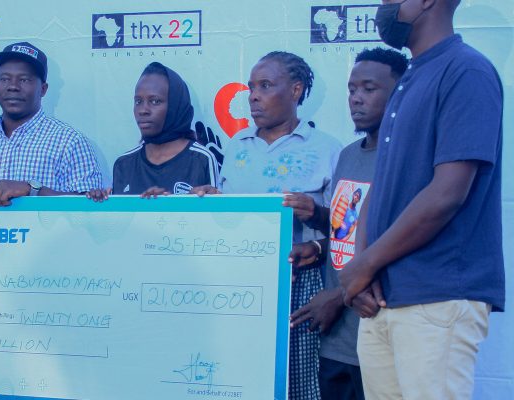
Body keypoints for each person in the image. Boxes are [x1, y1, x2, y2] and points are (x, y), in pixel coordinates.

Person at [338, 1, 505, 399]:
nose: (384, 6)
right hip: (382, 297)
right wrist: (363, 270)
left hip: (437, 293)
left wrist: (366, 264)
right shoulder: (410, 76)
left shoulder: (466, 71)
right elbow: (380, 187)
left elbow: (447, 193)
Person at [194, 51, 342, 400]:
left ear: (295, 90)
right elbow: (230, 220)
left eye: (265, 86)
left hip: (301, 287)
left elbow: (346, 231)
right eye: (251, 87)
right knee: (242, 380)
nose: (253, 97)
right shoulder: (237, 147)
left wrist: (315, 218)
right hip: (239, 284)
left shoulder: (327, 149)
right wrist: (212, 202)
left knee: (298, 385)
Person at [286, 47, 408, 400]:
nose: (356, 98)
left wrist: (340, 296)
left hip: (381, 332)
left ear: (400, 93)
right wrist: (317, 228)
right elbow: (348, 229)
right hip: (337, 340)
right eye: (352, 89)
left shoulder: (406, 157)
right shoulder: (348, 155)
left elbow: (402, 241)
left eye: (369, 89)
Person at [0, 42, 102, 224]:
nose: (12, 86)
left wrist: (32, 190)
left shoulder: (70, 142)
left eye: (24, 80)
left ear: (43, 89)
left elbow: (92, 213)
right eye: (4, 79)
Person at [89, 62, 218, 201]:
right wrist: (98, 204)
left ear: (175, 105)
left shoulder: (201, 159)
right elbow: (119, 214)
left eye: (155, 101)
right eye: (138, 102)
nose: (143, 110)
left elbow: (213, 212)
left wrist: (170, 204)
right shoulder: (123, 164)